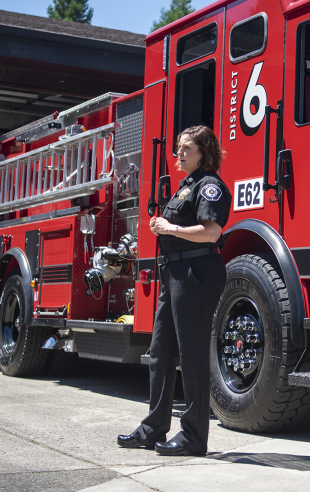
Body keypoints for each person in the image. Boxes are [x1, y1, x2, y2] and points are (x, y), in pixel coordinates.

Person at [118, 126, 230, 456]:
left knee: (192, 354)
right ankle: (153, 428)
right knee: (160, 352)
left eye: (186, 149)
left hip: (196, 274)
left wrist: (170, 228)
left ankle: (194, 437)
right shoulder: (188, 186)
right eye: (178, 148)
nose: (178, 154)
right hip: (174, 273)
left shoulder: (210, 186)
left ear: (204, 152)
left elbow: (212, 233)